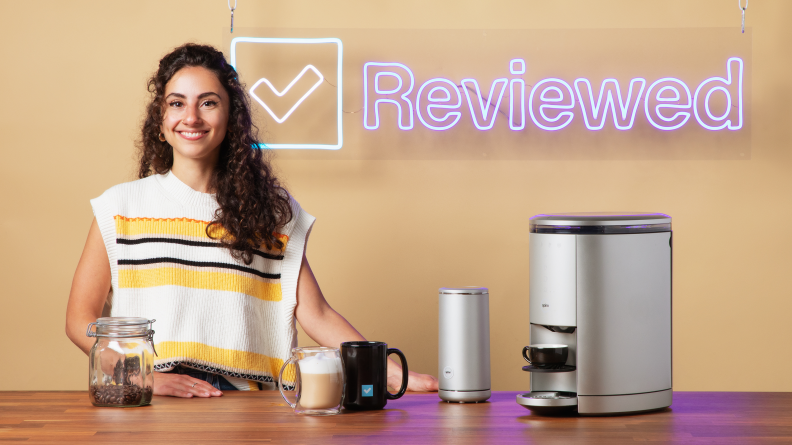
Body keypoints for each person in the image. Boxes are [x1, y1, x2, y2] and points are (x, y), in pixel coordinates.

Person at [65, 43, 439, 398]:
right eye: (176, 103)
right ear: (160, 119)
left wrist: (386, 369)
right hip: (153, 394)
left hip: (245, 401)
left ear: (231, 117)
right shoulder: (120, 205)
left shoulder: (269, 213)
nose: (191, 117)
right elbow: (80, 319)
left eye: (208, 103)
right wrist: (141, 375)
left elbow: (316, 312)